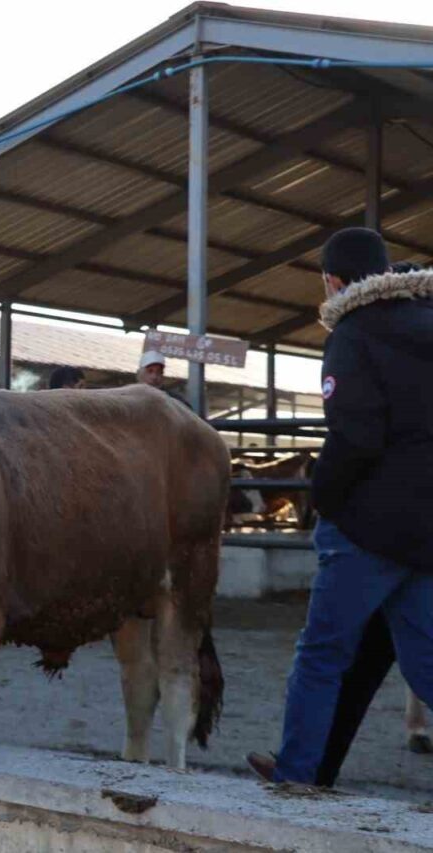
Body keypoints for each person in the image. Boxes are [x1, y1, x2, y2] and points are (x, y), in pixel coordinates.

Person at [247, 228, 433, 786]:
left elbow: (356, 437)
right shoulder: (427, 324)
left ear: (332, 280)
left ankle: (297, 773)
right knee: (426, 657)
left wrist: (323, 498)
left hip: (366, 529)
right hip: (426, 528)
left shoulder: (353, 334)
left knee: (323, 654)